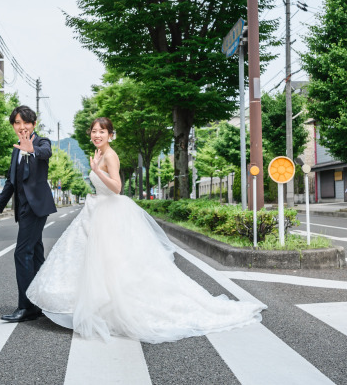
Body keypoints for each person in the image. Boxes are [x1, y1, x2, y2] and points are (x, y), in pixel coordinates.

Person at [26, 117, 265, 343]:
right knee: (91, 260)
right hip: (97, 210)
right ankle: (93, 304)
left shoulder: (110, 155)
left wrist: (98, 172)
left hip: (109, 212)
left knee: (113, 262)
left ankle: (112, 306)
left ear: (111, 135)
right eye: (94, 131)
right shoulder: (98, 154)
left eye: (102, 131)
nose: (97, 134)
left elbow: (117, 188)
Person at [0, 105, 57, 323]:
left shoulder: (41, 142)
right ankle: (40, 302)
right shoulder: (15, 149)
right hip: (22, 209)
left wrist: (31, 150)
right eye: (17, 123)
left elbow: (45, 153)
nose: (22, 127)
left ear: (34, 124)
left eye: (26, 123)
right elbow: (11, 182)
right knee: (36, 254)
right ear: (13, 125)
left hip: (36, 207)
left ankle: (26, 307)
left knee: (22, 253)